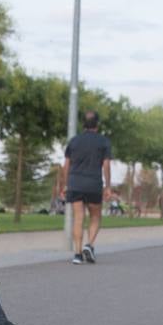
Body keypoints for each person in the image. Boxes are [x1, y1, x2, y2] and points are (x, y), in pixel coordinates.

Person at [56, 110, 112, 264]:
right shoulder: (103, 142)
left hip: (75, 184)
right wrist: (108, 186)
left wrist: (64, 185)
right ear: (97, 124)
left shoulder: (74, 141)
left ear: (84, 124)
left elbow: (66, 165)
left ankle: (78, 254)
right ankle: (90, 245)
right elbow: (106, 165)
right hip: (93, 184)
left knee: (78, 218)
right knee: (95, 217)